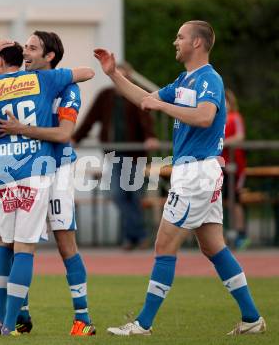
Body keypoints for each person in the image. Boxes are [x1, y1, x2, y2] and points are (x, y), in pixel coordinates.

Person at [94, 20, 265, 336]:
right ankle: (252, 318)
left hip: (197, 173)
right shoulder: (185, 80)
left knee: (163, 245)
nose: (175, 41)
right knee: (214, 247)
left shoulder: (208, 80)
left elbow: (204, 116)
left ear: (197, 43)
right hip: (195, 172)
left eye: (180, 37)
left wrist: (162, 105)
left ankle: (142, 324)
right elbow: (146, 99)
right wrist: (113, 74)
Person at [0, 41, 94, 336]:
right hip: (34, 170)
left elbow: (65, 133)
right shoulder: (38, 81)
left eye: (33, 48)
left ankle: (82, 319)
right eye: (24, 48)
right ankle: (19, 317)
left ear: (49, 56)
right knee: (15, 242)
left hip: (58, 168)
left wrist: (20, 129)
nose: (26, 53)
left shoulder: (64, 86)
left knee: (63, 244)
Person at [73, 62, 159, 249]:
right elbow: (90, 118)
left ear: (129, 79)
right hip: (114, 154)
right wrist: (75, 139)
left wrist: (151, 137)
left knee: (134, 196)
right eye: (117, 77)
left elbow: (147, 119)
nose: (121, 81)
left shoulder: (137, 94)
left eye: (125, 77)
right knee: (117, 195)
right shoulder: (106, 96)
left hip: (136, 155)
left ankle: (132, 238)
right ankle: (138, 235)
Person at [222, 89, 248, 250]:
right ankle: (224, 234)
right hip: (219, 166)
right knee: (220, 200)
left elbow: (240, 136)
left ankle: (240, 234)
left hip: (235, 167)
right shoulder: (215, 119)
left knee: (235, 200)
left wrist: (223, 142)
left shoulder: (235, 117)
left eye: (225, 101)